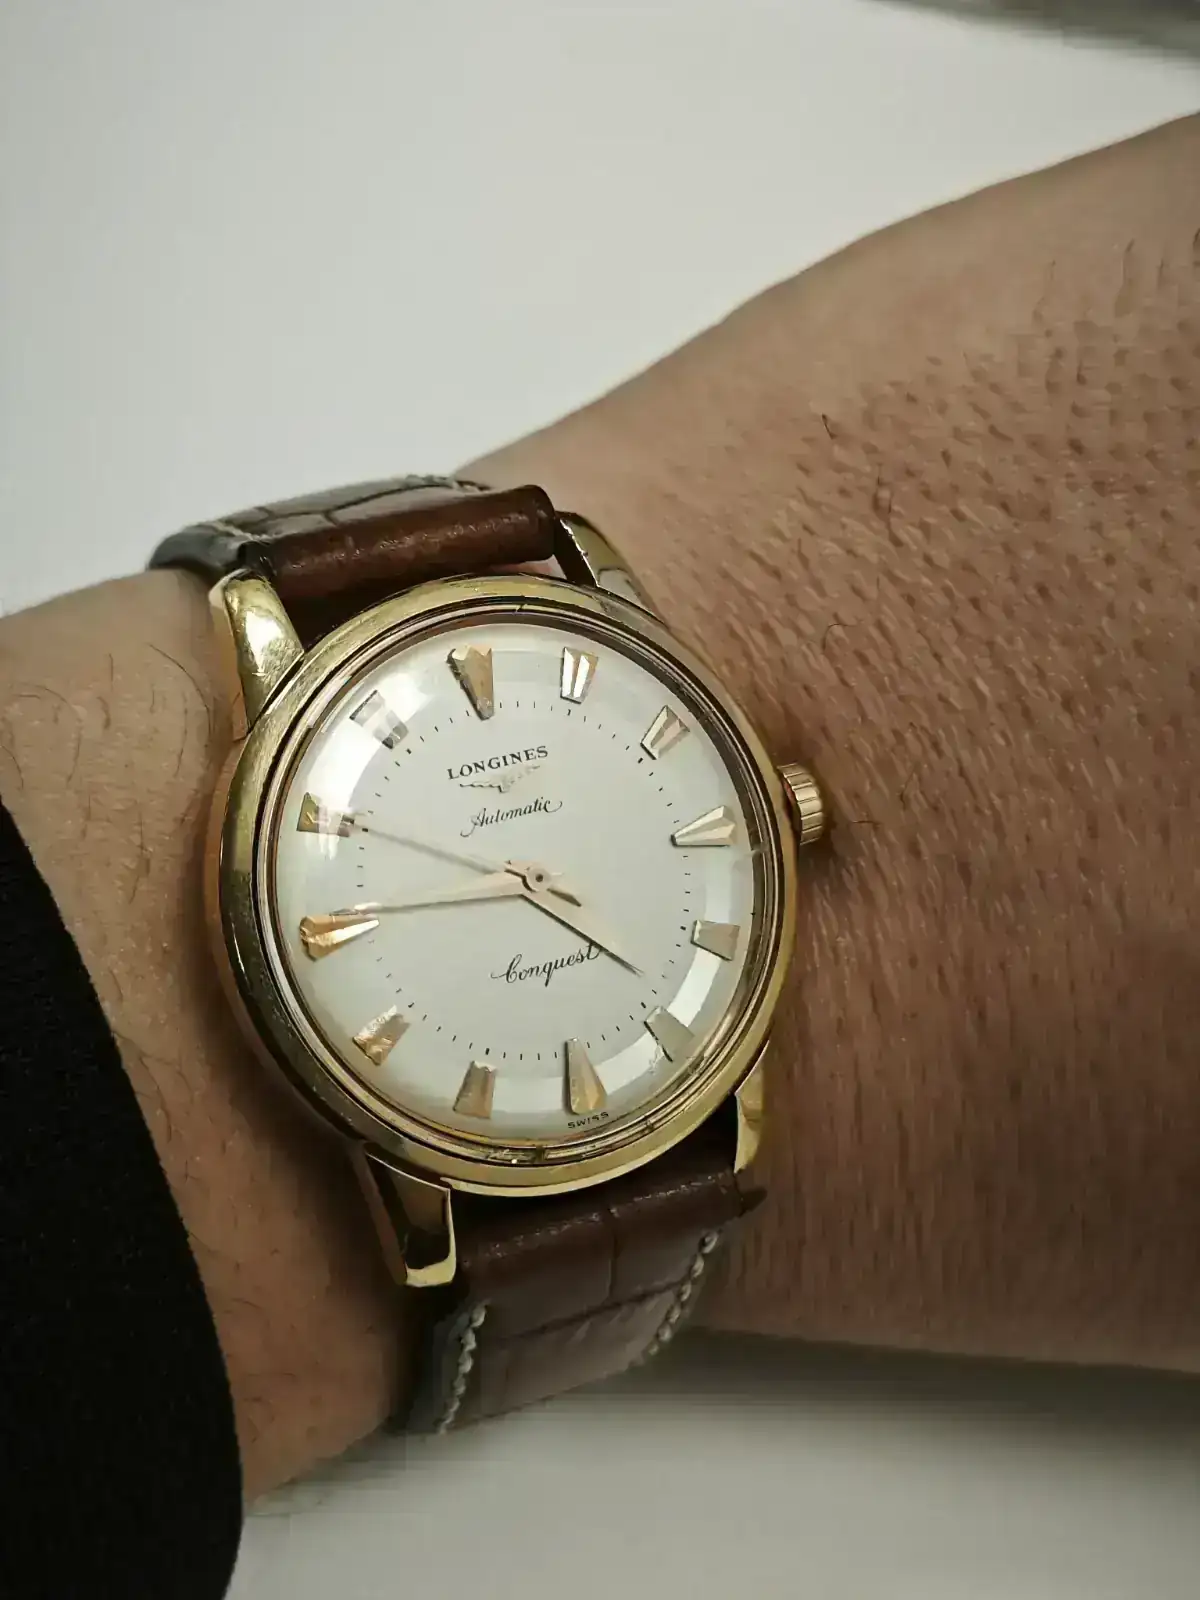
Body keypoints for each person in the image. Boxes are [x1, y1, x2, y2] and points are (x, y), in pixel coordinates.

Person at [1, 114, 1196, 1599]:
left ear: (783, 807)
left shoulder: (612, 677)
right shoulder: (293, 648)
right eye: (513, 871)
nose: (523, 874)